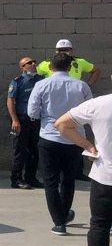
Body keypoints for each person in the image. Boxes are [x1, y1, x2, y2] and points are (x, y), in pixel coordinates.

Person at [28, 52, 93, 236]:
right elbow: (90, 111)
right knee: (68, 179)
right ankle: (63, 215)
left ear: (50, 67)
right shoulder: (81, 85)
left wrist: (47, 117)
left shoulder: (42, 85)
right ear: (70, 67)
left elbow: (32, 112)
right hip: (74, 139)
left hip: (49, 138)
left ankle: (59, 222)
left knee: (50, 181)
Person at [55, 96, 112, 246]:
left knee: (99, 225)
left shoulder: (98, 104)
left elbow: (61, 124)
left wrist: (88, 145)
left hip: (105, 176)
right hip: (104, 175)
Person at [7, 56, 43, 189]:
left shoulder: (40, 80)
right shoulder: (18, 82)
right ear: (22, 68)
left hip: (36, 120)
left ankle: (31, 178)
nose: (33, 64)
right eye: (29, 63)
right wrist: (15, 120)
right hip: (21, 120)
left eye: (34, 62)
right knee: (19, 150)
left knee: (35, 150)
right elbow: (10, 101)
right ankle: (16, 179)